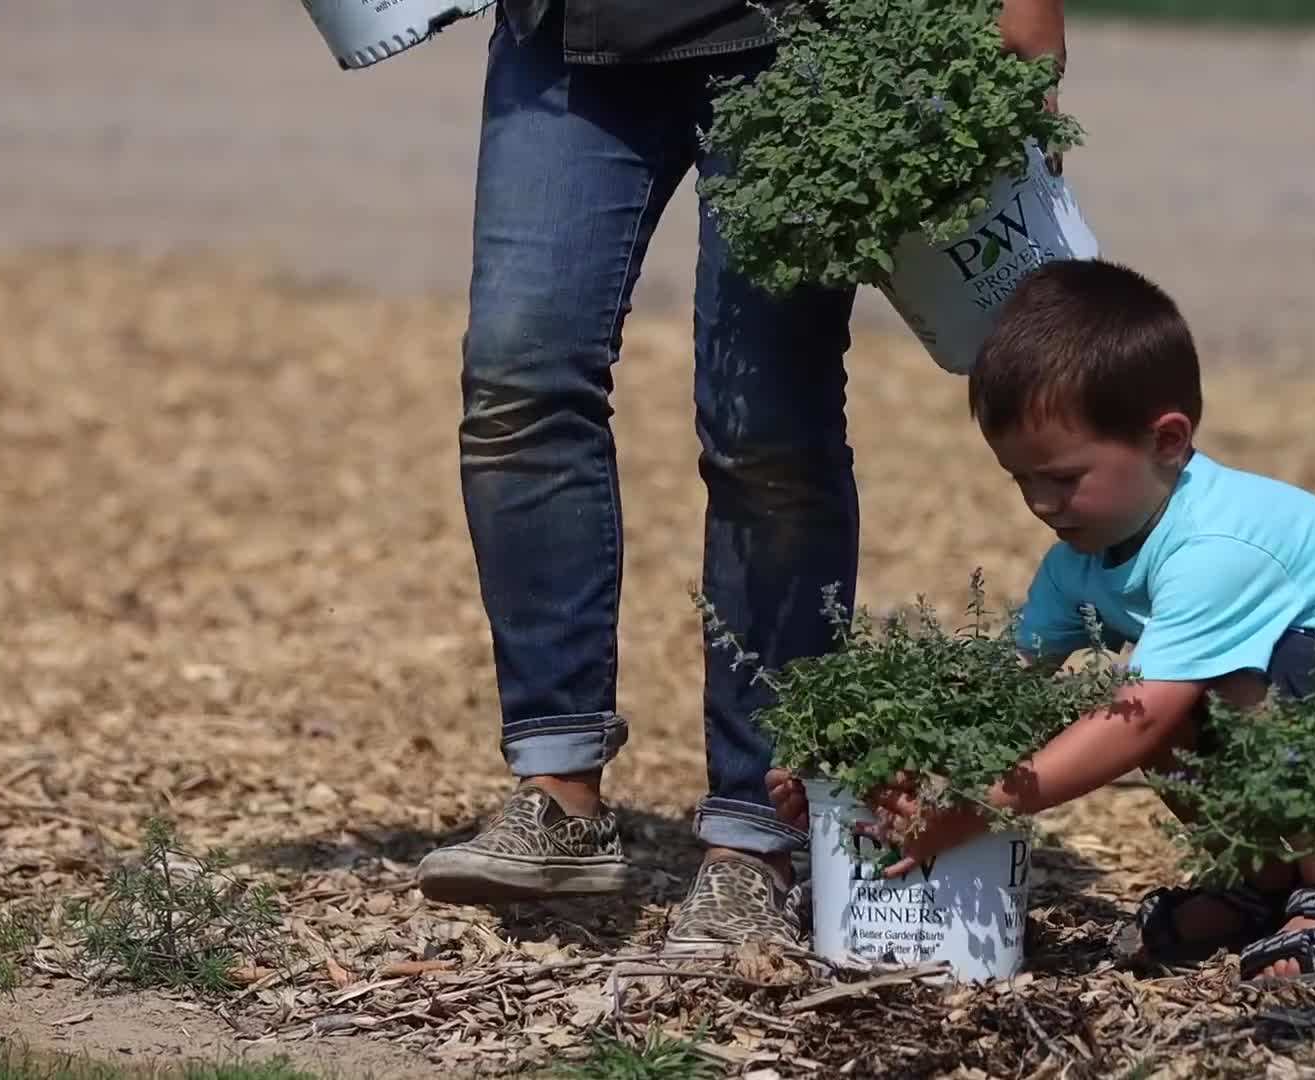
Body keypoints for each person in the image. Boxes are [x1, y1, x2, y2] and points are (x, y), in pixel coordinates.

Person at [414, 0, 1071, 955]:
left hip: (800, 35)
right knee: (519, 373)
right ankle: (557, 786)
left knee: (766, 428)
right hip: (568, 32)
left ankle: (754, 841)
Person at [767, 258, 1315, 979]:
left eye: (1063, 478)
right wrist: (851, 764)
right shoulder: (1076, 561)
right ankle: (1266, 886)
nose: (1041, 504)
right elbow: (1003, 696)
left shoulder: (1216, 549)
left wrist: (981, 804)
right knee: (1153, 694)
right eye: (1022, 480)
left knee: (1212, 682)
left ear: (1167, 441)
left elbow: (1137, 716)